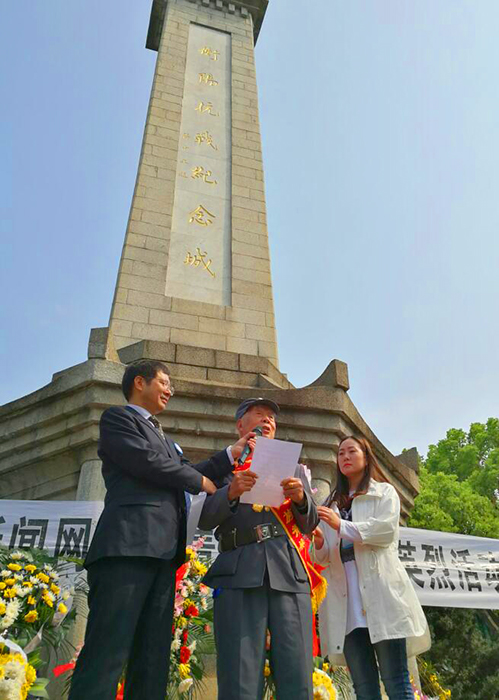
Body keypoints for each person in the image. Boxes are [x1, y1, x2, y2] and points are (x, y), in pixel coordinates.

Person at [68, 360, 254, 700]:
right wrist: (199, 481)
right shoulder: (118, 419)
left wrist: (230, 455)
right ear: (140, 382)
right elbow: (148, 462)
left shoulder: (163, 437)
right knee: (107, 652)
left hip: (164, 556)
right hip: (127, 549)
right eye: (164, 382)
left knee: (152, 658)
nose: (170, 390)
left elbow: (182, 469)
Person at [199, 397, 322, 700]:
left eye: (272, 417)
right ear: (240, 424)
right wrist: (231, 491)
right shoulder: (223, 466)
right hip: (239, 571)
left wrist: (301, 500)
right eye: (259, 414)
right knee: (240, 676)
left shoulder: (293, 467)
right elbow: (203, 518)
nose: (267, 420)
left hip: (289, 573)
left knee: (297, 673)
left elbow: (310, 524)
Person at [311, 435, 430, 700]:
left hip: (381, 598)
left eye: (351, 451)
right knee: (363, 689)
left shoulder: (383, 492)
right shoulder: (332, 503)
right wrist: (319, 542)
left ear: (366, 457)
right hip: (347, 606)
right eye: (340, 453)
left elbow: (384, 532)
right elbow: (322, 559)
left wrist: (340, 525)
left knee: (397, 681)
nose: (345, 457)